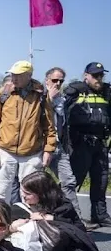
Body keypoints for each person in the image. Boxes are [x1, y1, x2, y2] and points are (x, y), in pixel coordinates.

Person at [0, 61, 56, 204]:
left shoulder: (41, 94)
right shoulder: (4, 92)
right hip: (5, 150)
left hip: (32, 152)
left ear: (29, 75)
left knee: (32, 194)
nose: (14, 78)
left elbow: (49, 126)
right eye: (12, 75)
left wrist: (49, 150)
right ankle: (0, 217)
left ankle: (30, 218)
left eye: (18, 75)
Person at [63, 61, 111, 227]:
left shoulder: (106, 93)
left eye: (101, 75)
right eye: (95, 75)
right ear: (86, 76)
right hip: (81, 143)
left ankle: (99, 215)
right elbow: (63, 112)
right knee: (73, 180)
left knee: (101, 181)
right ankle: (64, 213)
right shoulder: (76, 91)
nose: (99, 78)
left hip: (100, 143)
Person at [44, 67, 82, 216]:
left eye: (61, 81)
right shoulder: (39, 96)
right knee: (33, 182)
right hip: (41, 146)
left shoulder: (63, 100)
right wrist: (48, 99)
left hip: (59, 146)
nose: (58, 84)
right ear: (47, 80)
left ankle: (75, 218)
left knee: (69, 182)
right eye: (55, 80)